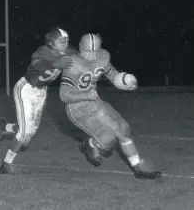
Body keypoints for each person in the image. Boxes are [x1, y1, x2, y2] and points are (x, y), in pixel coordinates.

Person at [59, 33, 162, 179]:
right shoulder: (72, 64)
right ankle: (92, 143)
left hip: (95, 102)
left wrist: (124, 83)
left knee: (123, 129)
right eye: (87, 51)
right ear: (81, 48)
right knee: (108, 141)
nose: (90, 55)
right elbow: (64, 95)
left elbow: (112, 74)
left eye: (94, 51)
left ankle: (138, 168)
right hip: (77, 109)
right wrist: (86, 95)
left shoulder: (102, 57)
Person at [0, 28, 75, 174]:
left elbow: (81, 61)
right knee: (24, 133)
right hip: (26, 89)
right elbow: (36, 64)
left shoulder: (69, 52)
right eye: (61, 41)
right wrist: (55, 63)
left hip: (41, 92)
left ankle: (6, 128)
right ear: (51, 42)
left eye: (66, 40)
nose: (64, 43)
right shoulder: (43, 51)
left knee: (28, 135)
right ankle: (6, 165)